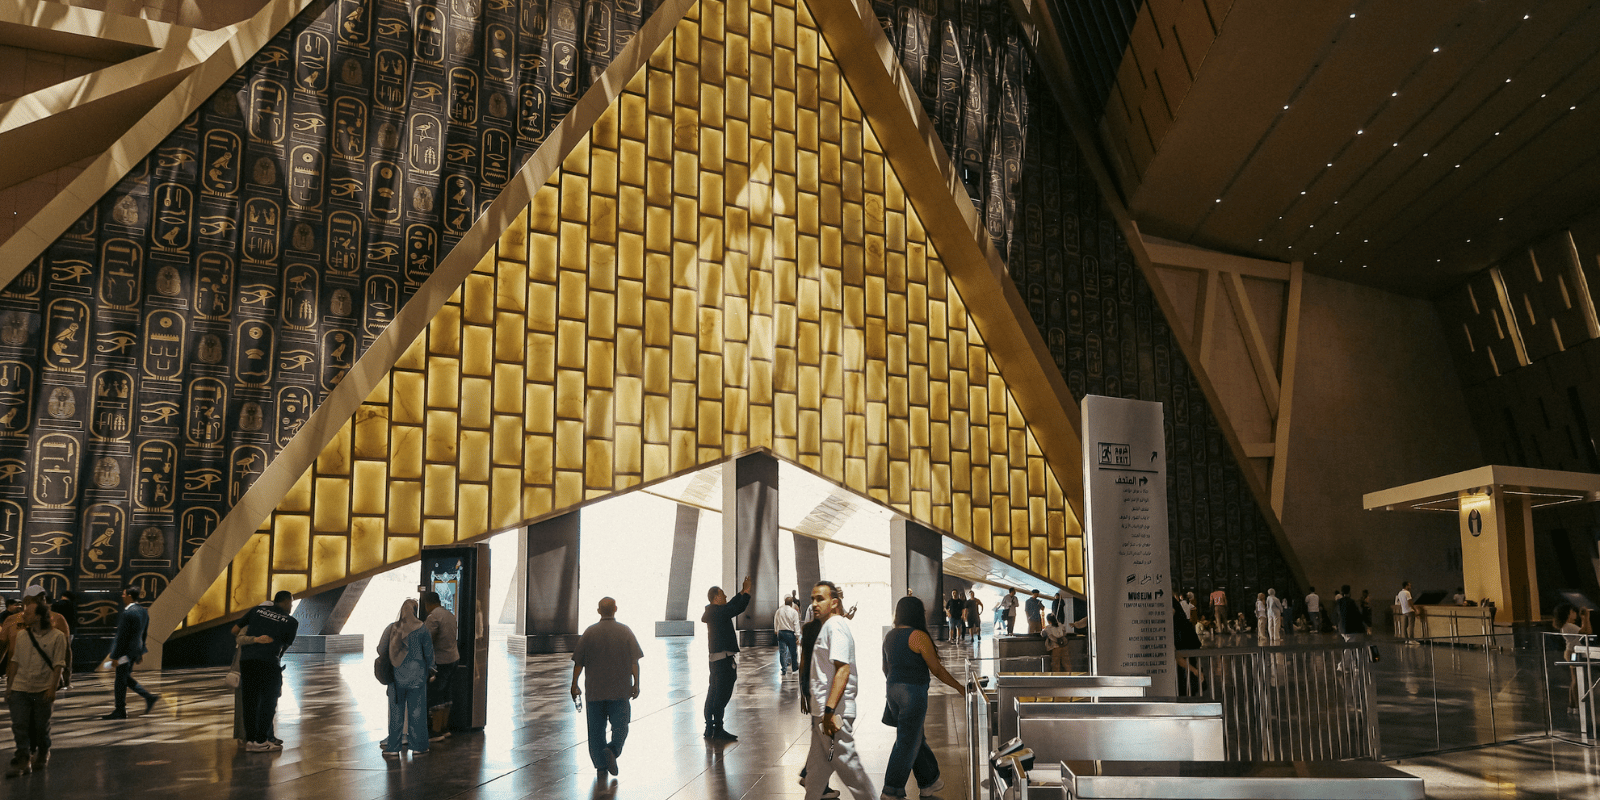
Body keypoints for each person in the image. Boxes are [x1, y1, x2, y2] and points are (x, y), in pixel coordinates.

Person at [880, 595, 964, 798]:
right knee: (906, 742)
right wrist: (959, 687)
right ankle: (891, 789)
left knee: (915, 736)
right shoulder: (917, 635)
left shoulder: (889, 636)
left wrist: (896, 686)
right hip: (913, 692)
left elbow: (885, 668)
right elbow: (936, 669)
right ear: (917, 613)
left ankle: (929, 782)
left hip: (892, 690)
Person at [802, 581, 875, 800]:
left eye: (820, 599)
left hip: (833, 714)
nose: (814, 604)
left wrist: (829, 712)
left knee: (850, 769)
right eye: (812, 599)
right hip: (823, 714)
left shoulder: (835, 626)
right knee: (815, 775)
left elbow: (842, 669)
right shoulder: (827, 626)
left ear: (834, 603)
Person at [571, 596, 643, 779]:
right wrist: (636, 683)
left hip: (595, 690)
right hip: (620, 689)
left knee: (596, 730)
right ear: (615, 609)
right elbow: (634, 661)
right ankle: (613, 749)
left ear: (598, 611)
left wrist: (574, 684)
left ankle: (600, 766)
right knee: (621, 726)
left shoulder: (589, 632)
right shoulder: (625, 631)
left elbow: (578, 662)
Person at [5, 602, 66, 777]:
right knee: (19, 725)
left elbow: (58, 664)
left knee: (41, 727)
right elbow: (15, 660)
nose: (23, 615)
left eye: (28, 613)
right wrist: (10, 686)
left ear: (38, 616)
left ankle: (44, 750)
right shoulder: (23, 635)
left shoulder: (57, 637)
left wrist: (52, 689)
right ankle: (23, 759)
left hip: (43, 688)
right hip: (20, 687)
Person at [237, 590, 297, 751]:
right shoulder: (290, 621)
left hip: (248, 661)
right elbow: (284, 646)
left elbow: (237, 633)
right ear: (285, 602)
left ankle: (250, 741)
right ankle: (261, 740)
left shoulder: (256, 612)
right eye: (290, 603)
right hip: (269, 662)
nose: (291, 606)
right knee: (269, 701)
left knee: (250, 700)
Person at [378, 599, 433, 757]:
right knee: (417, 713)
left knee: (396, 713)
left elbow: (380, 649)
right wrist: (432, 669)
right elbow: (429, 653)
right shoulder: (422, 629)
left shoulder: (392, 628)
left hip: (396, 678)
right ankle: (418, 747)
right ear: (415, 611)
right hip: (417, 677)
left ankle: (393, 748)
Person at [701, 575, 751, 740]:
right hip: (723, 661)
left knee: (713, 692)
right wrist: (747, 593)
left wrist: (742, 592)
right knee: (721, 694)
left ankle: (710, 727)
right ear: (716, 598)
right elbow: (736, 609)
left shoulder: (714, 612)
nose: (726, 597)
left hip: (716, 660)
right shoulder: (717, 613)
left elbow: (730, 606)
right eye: (723, 595)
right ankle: (718, 728)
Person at [101, 586, 159, 720]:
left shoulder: (128, 613)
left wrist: (115, 656)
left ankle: (120, 710)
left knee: (120, 681)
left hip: (125, 653)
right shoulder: (143, 611)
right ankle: (149, 697)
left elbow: (122, 638)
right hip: (134, 652)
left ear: (128, 596)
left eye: (123, 594)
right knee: (124, 677)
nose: (122, 596)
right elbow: (144, 633)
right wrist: (140, 653)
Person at [419, 590, 459, 740]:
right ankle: (444, 728)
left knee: (436, 695)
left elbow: (426, 640)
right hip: (454, 658)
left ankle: (435, 732)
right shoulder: (449, 614)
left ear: (428, 603)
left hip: (441, 661)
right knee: (446, 694)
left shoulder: (434, 617)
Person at [1555, 604, 1594, 714]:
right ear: (1568, 613)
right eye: (1573, 611)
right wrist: (1585, 617)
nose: (1575, 613)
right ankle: (1576, 706)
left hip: (1572, 652)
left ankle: (1572, 705)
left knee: (1574, 679)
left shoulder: (1568, 626)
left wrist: (1584, 619)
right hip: (1573, 653)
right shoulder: (1568, 626)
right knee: (1576, 679)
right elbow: (1587, 632)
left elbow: (1586, 630)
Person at [1172, 597, 1204, 694]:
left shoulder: (1168, 601)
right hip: (1188, 638)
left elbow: (1178, 656)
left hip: (1183, 639)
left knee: (1187, 677)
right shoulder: (1173, 601)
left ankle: (1189, 691)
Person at [775, 596, 802, 678]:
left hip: (781, 632)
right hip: (790, 633)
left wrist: (776, 630)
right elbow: (796, 624)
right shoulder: (794, 612)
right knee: (793, 652)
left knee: (782, 652)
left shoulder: (779, 611)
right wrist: (797, 636)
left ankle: (783, 670)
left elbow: (776, 621)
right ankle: (794, 669)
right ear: (791, 603)